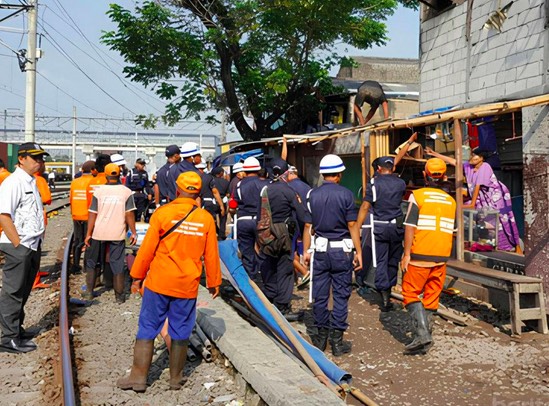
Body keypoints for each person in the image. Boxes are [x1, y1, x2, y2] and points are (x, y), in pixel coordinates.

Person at [117, 171, 221, 392]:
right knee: (181, 329)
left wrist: (137, 277)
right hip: (187, 285)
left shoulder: (163, 214)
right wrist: (214, 282)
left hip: (159, 282)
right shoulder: (205, 219)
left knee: (148, 326)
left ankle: (138, 378)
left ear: (177, 190)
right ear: (198, 193)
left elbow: (147, 250)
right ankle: (176, 379)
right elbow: (211, 254)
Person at [303, 154, 362, 356]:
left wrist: (306, 251)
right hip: (341, 251)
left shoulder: (312, 195)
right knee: (340, 295)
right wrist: (358, 251)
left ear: (323, 174)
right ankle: (337, 342)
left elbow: (308, 226)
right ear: (339, 174)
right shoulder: (346, 195)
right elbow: (352, 225)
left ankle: (321, 339)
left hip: (320, 251)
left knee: (320, 295)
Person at [400, 158, 457, 354]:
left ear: (424, 175)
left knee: (410, 293)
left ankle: (422, 335)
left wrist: (406, 254)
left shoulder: (418, 196)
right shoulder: (450, 201)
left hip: (420, 254)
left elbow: (410, 226)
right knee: (432, 295)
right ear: (444, 177)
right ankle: (426, 336)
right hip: (441, 256)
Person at [0, 142, 49, 353]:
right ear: (21, 159)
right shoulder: (13, 183)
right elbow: (4, 215)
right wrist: (17, 244)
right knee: (13, 292)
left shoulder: (32, 181)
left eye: (41, 158)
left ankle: (16, 329)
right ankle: (8, 338)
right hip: (19, 245)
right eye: (35, 158)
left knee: (24, 289)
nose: (40, 162)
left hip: (32, 244)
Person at [425, 147, 521, 252]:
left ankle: (511, 246)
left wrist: (472, 204)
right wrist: (435, 154)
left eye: (475, 156)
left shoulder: (485, 166)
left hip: (494, 198)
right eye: (471, 155)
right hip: (481, 198)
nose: (471, 157)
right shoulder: (469, 166)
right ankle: (483, 243)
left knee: (501, 220)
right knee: (478, 217)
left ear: (481, 158)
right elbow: (455, 162)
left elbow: (477, 186)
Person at [257, 159, 312, 321]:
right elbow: (302, 215)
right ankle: (283, 306)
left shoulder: (265, 190)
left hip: (266, 235)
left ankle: (270, 300)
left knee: (269, 266)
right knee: (285, 270)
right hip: (284, 236)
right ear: (286, 173)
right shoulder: (289, 191)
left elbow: (259, 214)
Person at [355, 155, 406, 311]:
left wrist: (357, 226)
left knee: (381, 260)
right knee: (393, 259)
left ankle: (384, 295)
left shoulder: (374, 183)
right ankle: (389, 289)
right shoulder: (401, 183)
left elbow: (365, 206)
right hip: (397, 227)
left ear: (378, 168)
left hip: (380, 227)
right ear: (393, 168)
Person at [84, 163, 137, 303]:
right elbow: (129, 213)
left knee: (93, 261)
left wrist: (88, 233)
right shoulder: (126, 192)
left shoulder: (99, 191)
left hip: (99, 232)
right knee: (117, 263)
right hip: (117, 232)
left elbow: (92, 213)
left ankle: (89, 292)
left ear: (106, 175)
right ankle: (119, 297)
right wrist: (133, 232)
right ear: (119, 174)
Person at [233, 157, 268, 278]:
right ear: (258, 170)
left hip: (243, 220)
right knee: (264, 249)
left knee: (247, 251)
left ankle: (250, 278)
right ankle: (264, 275)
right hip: (261, 220)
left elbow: (235, 203)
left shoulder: (239, 185)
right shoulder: (265, 184)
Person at [69, 160, 95, 272]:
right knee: (88, 241)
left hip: (76, 214)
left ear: (82, 170)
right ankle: (86, 266)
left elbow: (71, 199)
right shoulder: (93, 182)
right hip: (88, 215)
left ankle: (75, 265)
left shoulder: (74, 182)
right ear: (93, 170)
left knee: (77, 240)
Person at [211, 166, 230, 240]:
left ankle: (216, 231)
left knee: (212, 219)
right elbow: (228, 194)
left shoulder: (211, 181)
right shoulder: (226, 182)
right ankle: (221, 235)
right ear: (220, 173)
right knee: (223, 218)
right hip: (222, 200)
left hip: (213, 201)